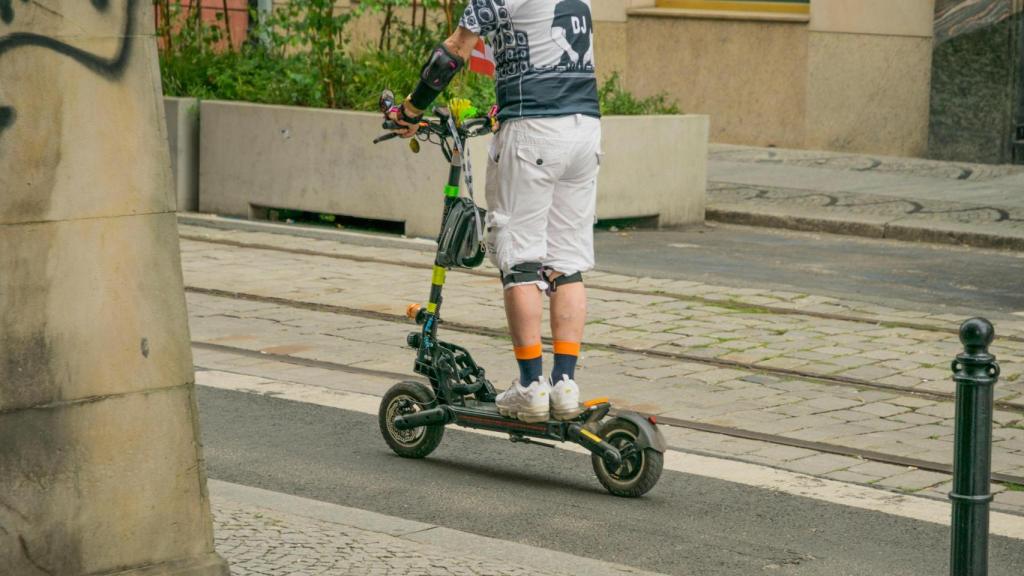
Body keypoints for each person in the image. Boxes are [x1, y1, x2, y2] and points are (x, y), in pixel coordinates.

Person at [389, 0, 600, 423]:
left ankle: (529, 388)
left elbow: (450, 55)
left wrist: (411, 110)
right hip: (585, 129)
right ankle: (564, 385)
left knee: (521, 260)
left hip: (535, 131)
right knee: (566, 263)